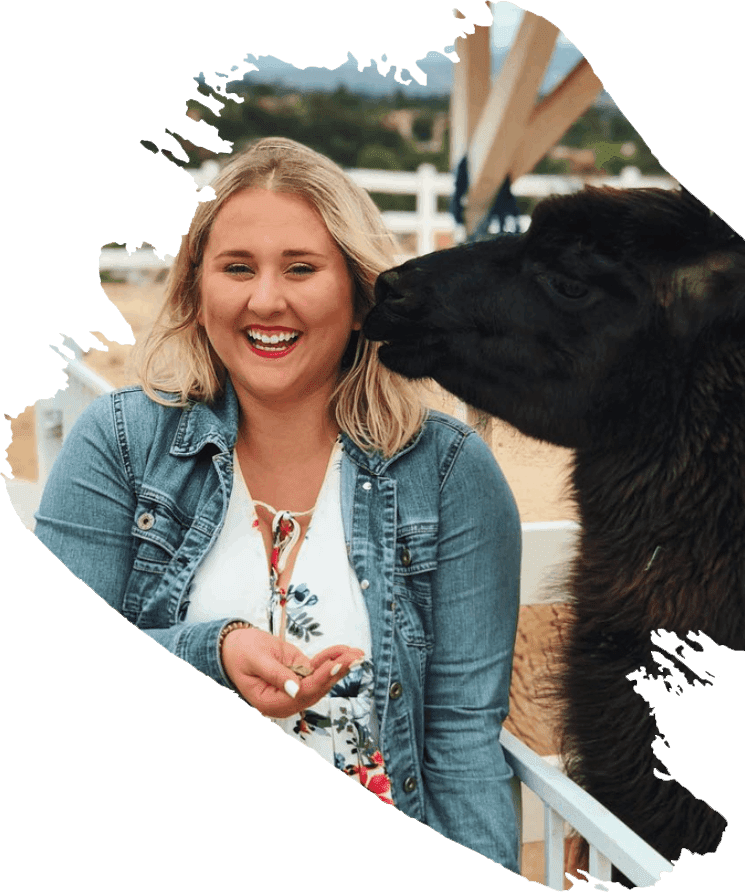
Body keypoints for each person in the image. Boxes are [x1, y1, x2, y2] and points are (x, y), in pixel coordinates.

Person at [34, 137, 521, 871]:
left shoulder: (450, 472)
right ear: (199, 292)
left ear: (360, 297)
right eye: (237, 268)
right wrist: (212, 652)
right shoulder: (121, 444)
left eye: (301, 268)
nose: (267, 300)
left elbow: (459, 744)